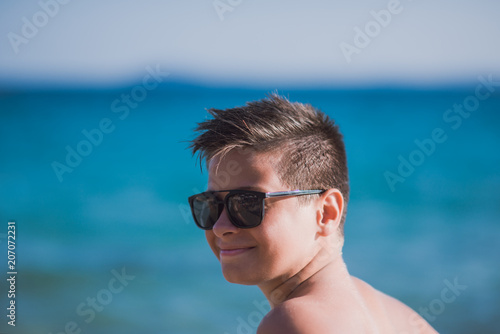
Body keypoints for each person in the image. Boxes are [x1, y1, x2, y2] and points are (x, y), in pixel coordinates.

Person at [187, 94, 437, 333]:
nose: (220, 226)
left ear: (326, 213)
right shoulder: (399, 316)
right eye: (210, 204)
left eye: (246, 204)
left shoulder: (291, 322)